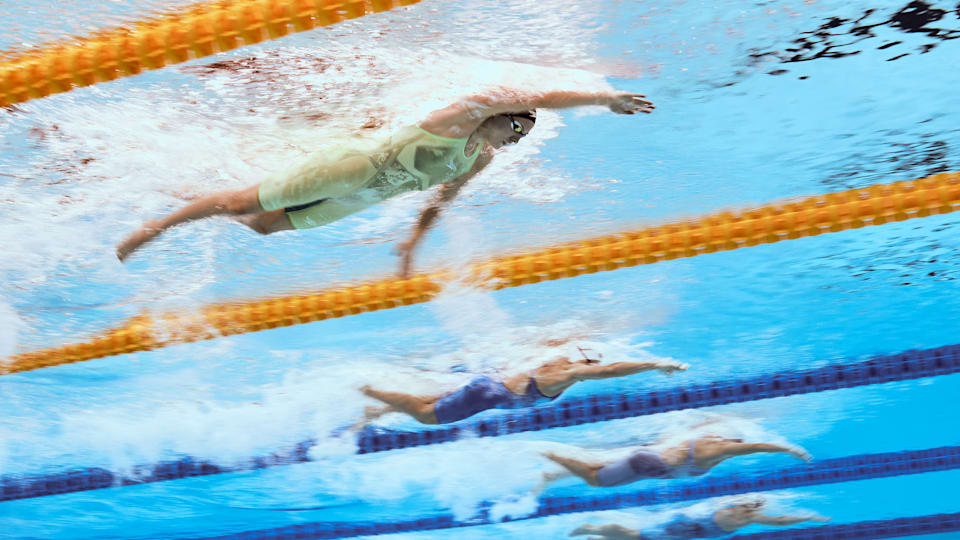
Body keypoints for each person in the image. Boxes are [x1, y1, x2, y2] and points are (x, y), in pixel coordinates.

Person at [115, 86, 655, 274]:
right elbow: (543, 95)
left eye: (526, 133)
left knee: (261, 226)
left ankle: (187, 193)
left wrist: (411, 246)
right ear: (501, 113)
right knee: (236, 205)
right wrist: (603, 101)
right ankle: (158, 225)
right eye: (518, 122)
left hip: (366, 198)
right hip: (355, 168)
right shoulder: (460, 115)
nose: (520, 134)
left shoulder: (479, 159)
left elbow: (440, 202)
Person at [358, 348, 687, 425]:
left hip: (489, 382)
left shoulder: (553, 358)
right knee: (426, 415)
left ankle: (374, 408)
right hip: (488, 394)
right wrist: (655, 364)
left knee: (432, 397)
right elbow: (612, 370)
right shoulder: (566, 374)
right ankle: (364, 388)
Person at [541, 432, 811, 488]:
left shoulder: (712, 441)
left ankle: (553, 469)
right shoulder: (715, 451)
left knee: (598, 469)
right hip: (647, 464)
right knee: (596, 479)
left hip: (650, 462)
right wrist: (788, 449)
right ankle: (547, 452)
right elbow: (756, 446)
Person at [569, 500, 830, 539]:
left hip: (686, 524)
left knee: (638, 536)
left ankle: (595, 533)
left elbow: (782, 520)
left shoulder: (737, 508)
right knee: (637, 536)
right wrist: (808, 517)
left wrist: (807, 517)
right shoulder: (745, 515)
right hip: (685, 528)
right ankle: (590, 529)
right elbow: (782, 520)